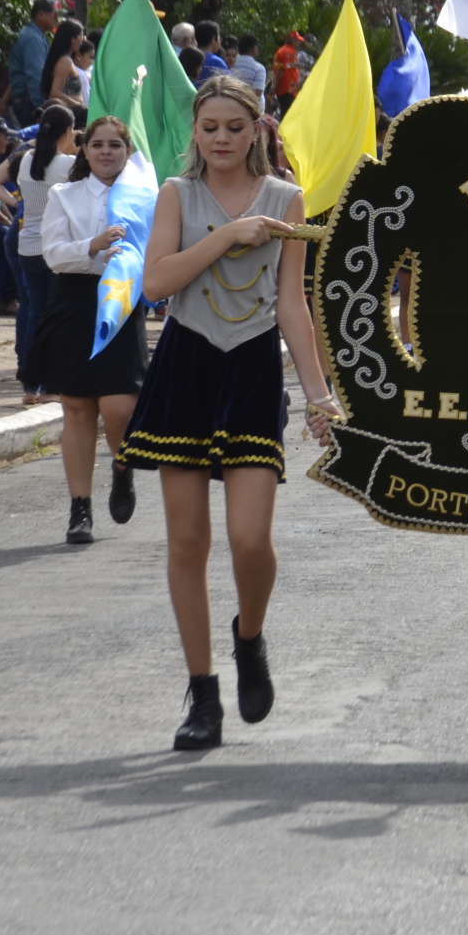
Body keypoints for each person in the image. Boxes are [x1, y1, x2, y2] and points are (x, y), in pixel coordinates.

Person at [124, 76, 342, 751]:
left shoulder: (287, 200)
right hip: (186, 366)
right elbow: (155, 282)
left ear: (258, 131)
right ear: (196, 131)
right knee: (188, 542)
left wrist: (317, 395)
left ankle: (249, 635)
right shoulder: (175, 194)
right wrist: (228, 236)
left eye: (233, 127)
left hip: (250, 369)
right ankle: (204, 693)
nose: (220, 139)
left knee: (251, 540)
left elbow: (291, 306)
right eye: (209, 127)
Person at [28, 116, 151, 545]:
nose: (105, 152)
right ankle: (80, 508)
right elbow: (54, 255)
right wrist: (93, 246)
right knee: (78, 409)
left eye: (114, 145)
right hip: (75, 303)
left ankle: (122, 468)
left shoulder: (147, 196)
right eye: (96, 144)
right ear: (84, 150)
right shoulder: (65, 194)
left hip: (121, 301)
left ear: (128, 151)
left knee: (121, 409)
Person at [0, 104, 77, 404]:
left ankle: (30, 385)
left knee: (35, 314)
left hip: (28, 245)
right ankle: (51, 387)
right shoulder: (69, 165)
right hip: (57, 249)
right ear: (68, 131)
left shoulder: (25, 160)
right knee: (56, 319)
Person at [8, 0, 57, 123]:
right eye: (54, 15)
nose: (57, 19)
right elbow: (35, 75)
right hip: (28, 101)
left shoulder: (33, 35)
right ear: (41, 15)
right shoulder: (33, 39)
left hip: (25, 99)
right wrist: (41, 107)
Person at [40, 17, 88, 110]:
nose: (83, 40)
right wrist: (78, 105)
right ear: (72, 39)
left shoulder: (67, 59)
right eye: (81, 35)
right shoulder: (65, 61)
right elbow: (55, 92)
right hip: (68, 112)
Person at [227, 33, 267, 100]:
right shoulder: (259, 68)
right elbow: (258, 92)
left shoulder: (230, 63)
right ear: (253, 49)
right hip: (249, 106)